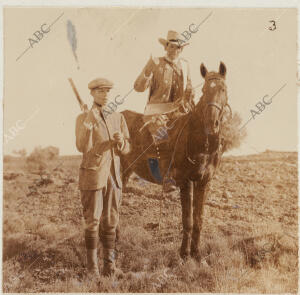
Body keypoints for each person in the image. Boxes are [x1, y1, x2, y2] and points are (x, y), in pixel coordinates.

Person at [75, 78, 130, 278]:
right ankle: (92, 270)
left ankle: (110, 266)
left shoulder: (118, 117)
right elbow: (82, 147)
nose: (105, 95)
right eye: (100, 91)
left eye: (107, 91)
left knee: (111, 221)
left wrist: (122, 141)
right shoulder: (83, 118)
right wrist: (87, 126)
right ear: (92, 94)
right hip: (93, 173)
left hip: (113, 176)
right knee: (93, 221)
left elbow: (126, 149)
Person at [134, 30, 195, 118]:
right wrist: (147, 72)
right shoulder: (156, 63)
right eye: (171, 47)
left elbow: (189, 88)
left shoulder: (185, 66)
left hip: (178, 114)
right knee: (160, 131)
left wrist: (190, 93)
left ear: (181, 50)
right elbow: (138, 88)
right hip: (156, 113)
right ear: (166, 48)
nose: (174, 50)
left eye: (177, 47)